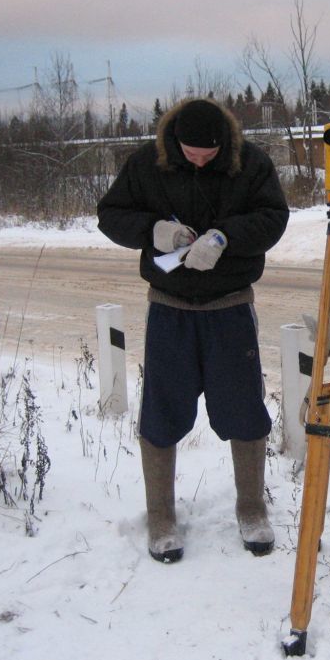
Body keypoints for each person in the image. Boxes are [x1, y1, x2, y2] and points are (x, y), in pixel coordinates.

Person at [97, 97, 289, 562]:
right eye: (191, 153)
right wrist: (153, 231)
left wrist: (226, 237)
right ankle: (161, 516)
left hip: (230, 307)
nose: (200, 160)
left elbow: (273, 217)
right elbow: (111, 215)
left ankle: (251, 507)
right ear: (174, 142)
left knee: (243, 409)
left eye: (208, 154)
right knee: (162, 412)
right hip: (170, 308)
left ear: (223, 142)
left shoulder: (251, 163)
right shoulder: (147, 162)